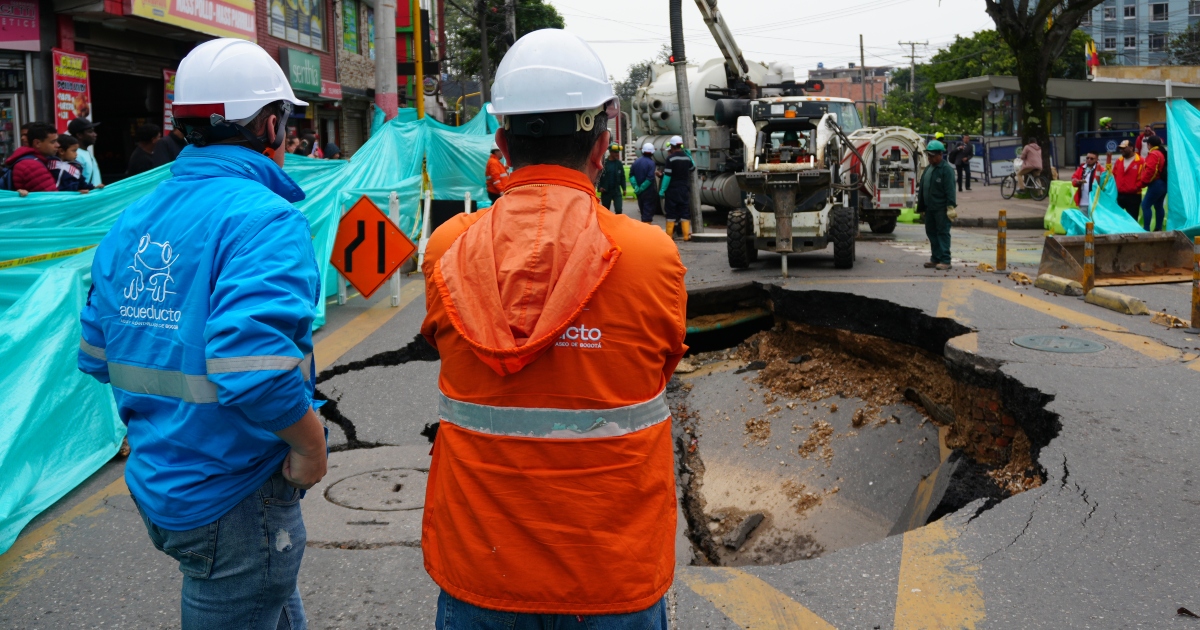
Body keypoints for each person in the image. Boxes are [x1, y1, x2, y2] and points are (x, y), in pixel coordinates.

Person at [420, 29, 683, 630]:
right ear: (602, 145)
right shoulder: (649, 254)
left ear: (503, 142)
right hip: (611, 567)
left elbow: (442, 341)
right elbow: (658, 367)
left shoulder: (448, 249)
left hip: (481, 566)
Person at [77, 38, 323, 628]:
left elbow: (96, 350)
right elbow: (256, 373)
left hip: (162, 478)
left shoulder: (135, 215)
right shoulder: (265, 217)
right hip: (235, 491)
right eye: (286, 123)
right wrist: (311, 447)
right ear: (270, 124)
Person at [917, 139, 956, 271]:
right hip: (930, 208)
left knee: (942, 233)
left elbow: (950, 190)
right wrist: (922, 206)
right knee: (931, 232)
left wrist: (951, 206)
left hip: (941, 208)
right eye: (928, 155)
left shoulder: (946, 170)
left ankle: (945, 259)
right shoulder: (929, 169)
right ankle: (935, 258)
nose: (930, 158)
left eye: (932, 156)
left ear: (940, 155)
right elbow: (923, 188)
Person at [5, 122, 59, 195]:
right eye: (53, 142)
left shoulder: (32, 160)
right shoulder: (32, 166)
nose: (57, 145)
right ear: (37, 143)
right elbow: (52, 198)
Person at [660, 135, 694, 240]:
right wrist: (690, 157)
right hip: (684, 189)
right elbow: (693, 168)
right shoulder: (686, 157)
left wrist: (662, 190)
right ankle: (685, 236)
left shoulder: (670, 159)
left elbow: (667, 176)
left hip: (673, 189)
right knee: (684, 211)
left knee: (671, 212)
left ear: (673, 146)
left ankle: (669, 236)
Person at [1139, 135, 1167, 231]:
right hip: (1163, 183)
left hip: (1156, 183)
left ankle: (1146, 229)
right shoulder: (1162, 152)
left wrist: (1143, 183)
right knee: (1158, 206)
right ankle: (1158, 228)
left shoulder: (1154, 154)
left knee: (1145, 205)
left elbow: (1151, 171)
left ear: (1149, 144)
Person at [1111, 139, 1144, 222]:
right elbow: (1114, 175)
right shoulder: (1119, 161)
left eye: (1124, 148)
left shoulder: (1141, 161)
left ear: (1131, 148)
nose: (1121, 150)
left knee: (1132, 219)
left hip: (1133, 196)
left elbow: (1144, 177)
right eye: (1120, 148)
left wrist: (1136, 187)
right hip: (1119, 195)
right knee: (1118, 219)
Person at [629, 141, 660, 223]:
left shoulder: (636, 162)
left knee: (643, 212)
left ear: (642, 151)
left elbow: (631, 175)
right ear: (652, 152)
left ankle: (644, 230)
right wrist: (642, 188)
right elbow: (650, 178)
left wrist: (636, 187)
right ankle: (647, 233)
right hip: (649, 192)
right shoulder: (651, 163)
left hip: (639, 193)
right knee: (648, 214)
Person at [68, 117, 103, 188]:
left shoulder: (86, 152)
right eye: (90, 132)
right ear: (79, 135)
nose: (95, 134)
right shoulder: (75, 155)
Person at [598, 142, 626, 215]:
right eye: (615, 152)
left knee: (619, 210)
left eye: (618, 152)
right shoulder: (604, 163)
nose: (617, 154)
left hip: (616, 191)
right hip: (606, 191)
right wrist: (599, 187)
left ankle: (618, 225)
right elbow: (598, 176)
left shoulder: (619, 164)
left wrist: (624, 188)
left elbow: (622, 177)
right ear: (610, 152)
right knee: (605, 211)